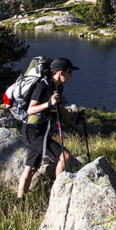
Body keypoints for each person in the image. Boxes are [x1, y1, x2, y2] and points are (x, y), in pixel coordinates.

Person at [16, 57, 80, 201]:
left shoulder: (57, 86)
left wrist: (74, 118)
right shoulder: (43, 86)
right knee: (65, 156)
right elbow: (31, 109)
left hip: (42, 130)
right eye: (69, 72)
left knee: (31, 168)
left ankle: (20, 201)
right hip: (32, 131)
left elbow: (58, 107)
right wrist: (48, 103)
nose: (71, 75)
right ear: (60, 72)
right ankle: (59, 196)